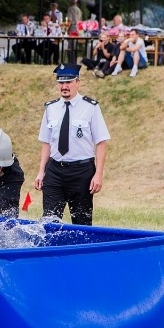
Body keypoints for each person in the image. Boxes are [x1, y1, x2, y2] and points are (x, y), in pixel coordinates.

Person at [35, 63, 110, 225]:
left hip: (81, 172)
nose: (64, 86)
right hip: (54, 171)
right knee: (49, 222)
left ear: (78, 82)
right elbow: (46, 143)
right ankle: (52, 251)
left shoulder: (91, 108)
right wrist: (41, 171)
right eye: (61, 82)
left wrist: (98, 175)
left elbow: (101, 143)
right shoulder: (51, 108)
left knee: (82, 222)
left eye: (68, 82)